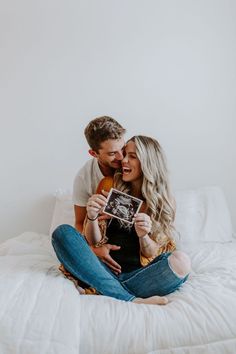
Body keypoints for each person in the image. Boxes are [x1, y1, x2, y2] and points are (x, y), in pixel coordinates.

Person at [52, 135, 191, 305]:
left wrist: (144, 236)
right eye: (125, 154)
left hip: (140, 277)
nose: (123, 160)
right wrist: (92, 217)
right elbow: (93, 240)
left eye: (132, 156)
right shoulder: (110, 185)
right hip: (101, 270)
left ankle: (107, 290)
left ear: (147, 162)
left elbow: (152, 253)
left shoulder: (164, 201)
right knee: (62, 233)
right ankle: (130, 299)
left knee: (181, 262)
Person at [73, 116, 126, 272]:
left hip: (134, 236)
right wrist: (92, 250)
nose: (121, 157)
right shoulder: (85, 177)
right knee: (63, 234)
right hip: (99, 236)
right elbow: (79, 222)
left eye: (122, 149)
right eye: (112, 153)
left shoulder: (135, 161)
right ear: (93, 153)